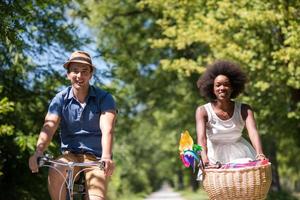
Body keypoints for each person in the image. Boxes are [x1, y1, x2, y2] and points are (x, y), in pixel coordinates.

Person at [28, 51, 117, 200]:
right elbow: (49, 126)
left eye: (84, 71)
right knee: (56, 168)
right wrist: (38, 152)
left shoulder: (105, 98)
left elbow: (107, 128)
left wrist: (106, 156)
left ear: (91, 74)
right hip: (70, 156)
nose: (79, 76)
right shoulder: (60, 99)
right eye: (75, 71)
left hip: (96, 159)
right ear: (68, 74)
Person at [195, 60, 266, 166]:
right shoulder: (202, 111)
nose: (222, 88)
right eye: (218, 85)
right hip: (213, 157)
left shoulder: (244, 109)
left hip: (241, 155)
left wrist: (260, 154)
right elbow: (201, 138)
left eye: (226, 85)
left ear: (233, 88)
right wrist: (204, 157)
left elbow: (253, 132)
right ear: (212, 89)